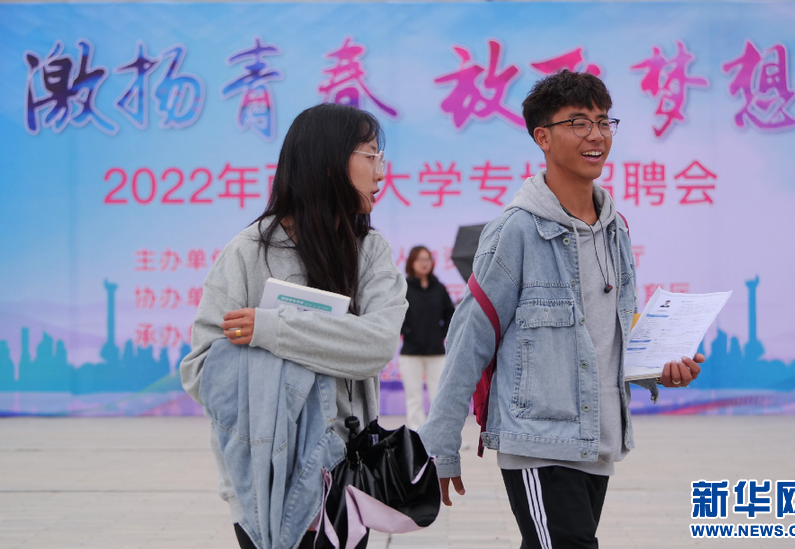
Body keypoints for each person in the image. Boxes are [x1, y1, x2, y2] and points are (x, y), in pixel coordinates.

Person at [418, 70, 704, 549]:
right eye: (578, 122)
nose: (596, 135)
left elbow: (608, 339)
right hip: (539, 446)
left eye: (603, 121)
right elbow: (469, 339)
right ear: (543, 137)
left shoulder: (616, 230)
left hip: (598, 442)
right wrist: (441, 444)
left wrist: (659, 370)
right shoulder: (515, 231)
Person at [179, 104, 408, 549]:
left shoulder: (370, 251)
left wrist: (271, 331)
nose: (381, 172)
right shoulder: (247, 252)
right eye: (370, 155)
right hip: (261, 482)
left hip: (345, 478)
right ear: (329, 163)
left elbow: (378, 344)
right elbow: (201, 371)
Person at [399, 246, 455, 430]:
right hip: (411, 352)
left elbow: (450, 314)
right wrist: (407, 331)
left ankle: (440, 433)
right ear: (411, 262)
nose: (424, 263)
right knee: (413, 397)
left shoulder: (439, 288)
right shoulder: (404, 288)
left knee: (439, 395)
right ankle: (416, 433)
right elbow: (395, 314)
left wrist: (442, 333)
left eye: (427, 259)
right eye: (420, 259)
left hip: (436, 351)